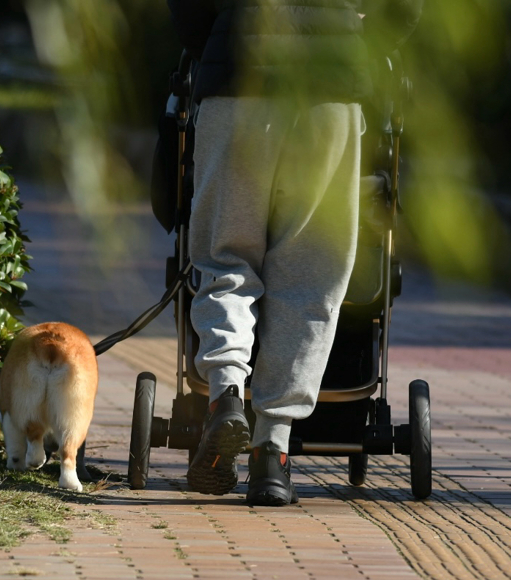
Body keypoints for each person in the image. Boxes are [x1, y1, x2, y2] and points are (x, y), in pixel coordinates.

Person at [169, 0, 424, 505]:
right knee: (310, 273)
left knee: (225, 258)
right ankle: (273, 455)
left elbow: (189, 9)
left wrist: (219, 39)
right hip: (330, 87)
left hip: (238, 76)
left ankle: (224, 397)